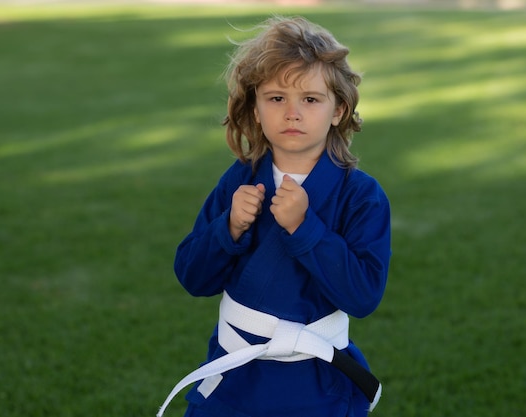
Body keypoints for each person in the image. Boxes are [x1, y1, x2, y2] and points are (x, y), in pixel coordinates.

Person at [157, 15, 392, 417]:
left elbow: (363, 295)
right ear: (256, 107)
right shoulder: (239, 181)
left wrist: (305, 229)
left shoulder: (361, 195)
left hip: (317, 383)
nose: (292, 113)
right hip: (236, 377)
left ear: (338, 110)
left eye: (311, 99)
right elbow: (193, 277)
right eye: (276, 98)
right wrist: (228, 228)